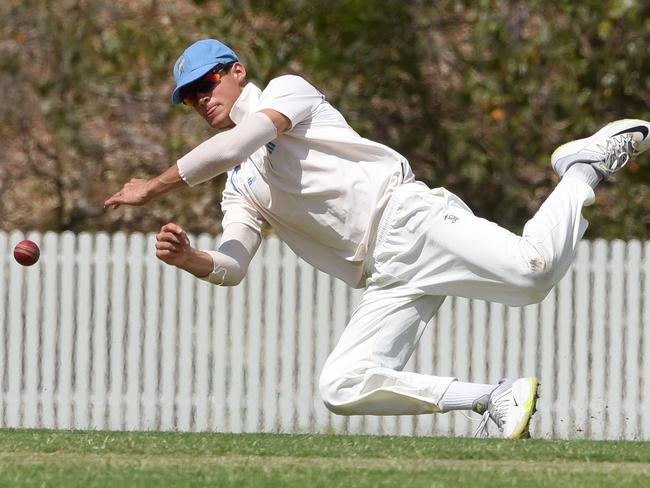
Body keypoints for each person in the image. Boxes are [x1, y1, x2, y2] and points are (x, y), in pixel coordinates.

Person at [104, 39, 650, 439]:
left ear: (237, 72)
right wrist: (190, 258)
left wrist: (153, 187)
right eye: (188, 97)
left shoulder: (288, 94)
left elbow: (234, 144)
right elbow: (232, 266)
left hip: (408, 218)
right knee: (341, 386)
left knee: (534, 274)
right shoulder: (238, 188)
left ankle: (580, 169)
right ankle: (492, 397)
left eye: (206, 84)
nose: (200, 99)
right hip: (383, 273)